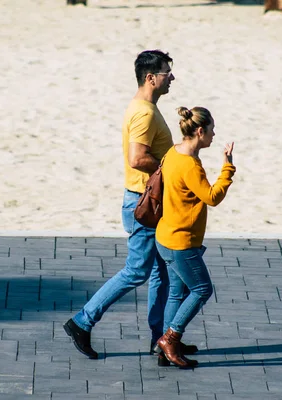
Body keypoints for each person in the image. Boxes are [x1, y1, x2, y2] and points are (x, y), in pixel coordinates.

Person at [63, 50, 198, 360]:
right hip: (144, 204)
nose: (172, 78)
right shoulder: (144, 113)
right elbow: (137, 158)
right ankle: (82, 321)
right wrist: (171, 170)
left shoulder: (145, 107)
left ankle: (161, 340)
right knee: (137, 271)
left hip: (149, 202)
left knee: (161, 272)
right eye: (167, 73)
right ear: (151, 78)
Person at [153, 106, 236, 368]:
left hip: (164, 236)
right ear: (200, 131)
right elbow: (212, 197)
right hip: (181, 242)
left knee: (177, 293)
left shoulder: (173, 153)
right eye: (211, 130)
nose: (214, 135)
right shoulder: (190, 165)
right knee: (202, 289)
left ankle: (165, 346)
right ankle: (170, 337)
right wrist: (228, 168)